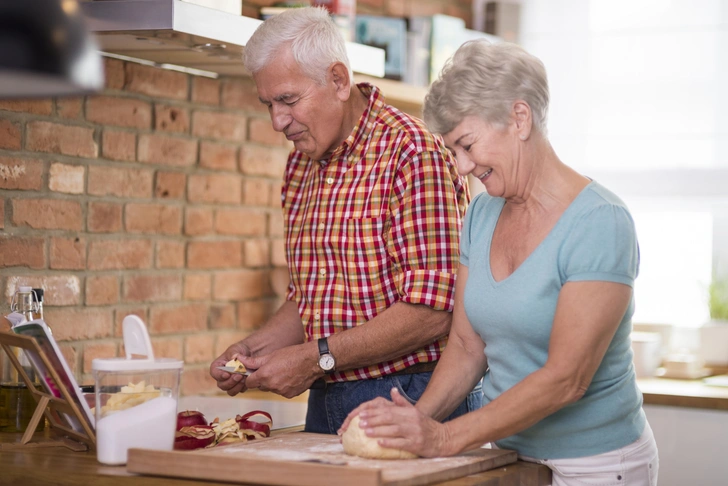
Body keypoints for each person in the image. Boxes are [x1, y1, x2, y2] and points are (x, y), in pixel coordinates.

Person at [340, 40, 659, 486]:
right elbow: (468, 347)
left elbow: (567, 379)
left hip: (600, 464)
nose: (463, 165)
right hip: (511, 454)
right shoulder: (481, 214)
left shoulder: (600, 221)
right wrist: (411, 422)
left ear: (519, 118)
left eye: (467, 144)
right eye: (453, 149)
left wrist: (445, 438)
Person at [209, 7, 482, 434]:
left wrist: (313, 358)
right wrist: (252, 351)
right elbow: (314, 298)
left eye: (288, 100)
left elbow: (434, 310)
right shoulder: (302, 165)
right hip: (328, 393)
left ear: (338, 80)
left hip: (412, 395)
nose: (277, 121)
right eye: (268, 104)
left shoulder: (412, 153)